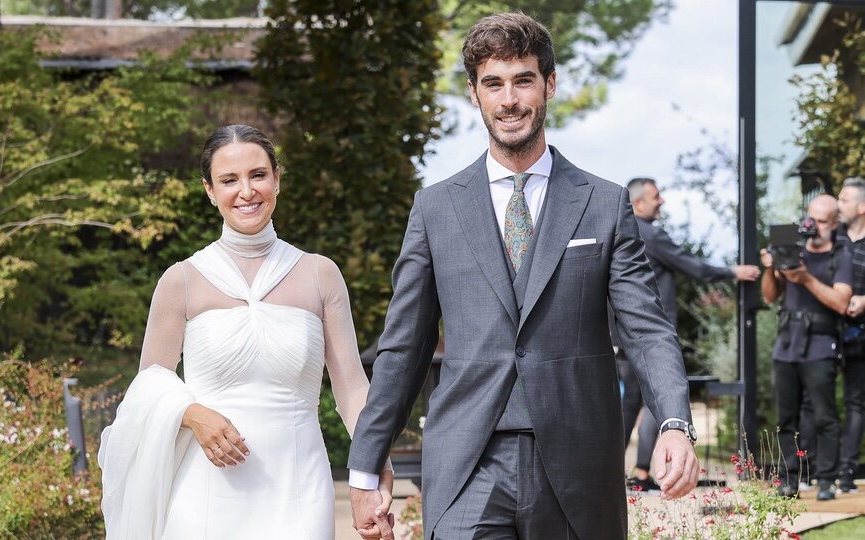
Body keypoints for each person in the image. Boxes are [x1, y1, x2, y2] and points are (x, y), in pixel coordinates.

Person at [347, 13, 699, 540]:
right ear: (475, 94)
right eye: (493, 83)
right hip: (467, 465)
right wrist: (365, 465)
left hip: (578, 464)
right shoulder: (436, 208)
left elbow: (647, 329)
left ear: (549, 84)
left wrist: (673, 420)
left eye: (522, 80)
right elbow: (403, 347)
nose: (508, 99)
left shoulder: (604, 204)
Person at [98, 125, 393, 539]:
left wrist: (376, 467)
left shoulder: (320, 275)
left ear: (277, 178)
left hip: (299, 488)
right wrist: (193, 415)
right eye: (229, 180)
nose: (246, 191)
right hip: (205, 493)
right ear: (209, 190)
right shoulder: (181, 280)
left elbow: (352, 390)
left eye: (257, 175)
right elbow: (148, 387)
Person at [617, 177, 760, 492]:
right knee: (660, 398)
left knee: (631, 405)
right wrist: (733, 272)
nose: (662, 201)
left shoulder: (620, 231)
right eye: (656, 196)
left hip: (626, 335)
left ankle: (620, 472)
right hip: (653, 335)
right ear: (638, 202)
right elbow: (692, 266)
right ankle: (642, 472)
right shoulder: (650, 234)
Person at [760, 194, 851, 501]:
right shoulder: (793, 251)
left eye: (823, 221)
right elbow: (770, 297)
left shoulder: (841, 255)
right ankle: (789, 480)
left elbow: (840, 301)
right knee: (785, 418)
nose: (814, 227)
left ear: (835, 223)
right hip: (787, 344)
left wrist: (806, 279)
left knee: (825, 417)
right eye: (811, 219)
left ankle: (826, 479)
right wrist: (772, 268)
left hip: (821, 345)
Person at [837, 177, 865, 493]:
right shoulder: (833, 241)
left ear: (861, 207)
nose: (838, 204)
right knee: (817, 403)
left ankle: (847, 472)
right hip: (829, 334)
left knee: (857, 403)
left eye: (844, 200)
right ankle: (812, 468)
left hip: (861, 338)